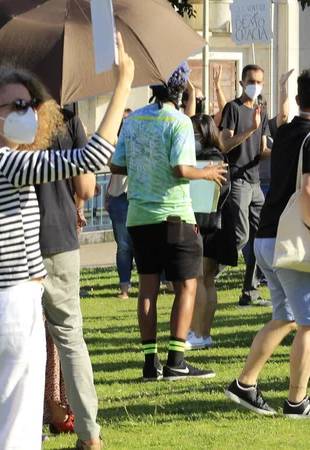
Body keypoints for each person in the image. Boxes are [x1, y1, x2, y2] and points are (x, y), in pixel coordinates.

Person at [0, 33, 134, 450]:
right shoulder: (7, 163)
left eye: (31, 104)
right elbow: (91, 159)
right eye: (17, 106)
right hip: (10, 308)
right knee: (16, 435)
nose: (30, 113)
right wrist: (123, 84)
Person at [224, 66, 310, 418]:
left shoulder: (288, 130)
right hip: (294, 241)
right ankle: (297, 401)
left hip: (267, 238)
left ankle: (245, 384)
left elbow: (285, 113)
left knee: (285, 316)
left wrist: (282, 87)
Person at [110, 63, 226, 382]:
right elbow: (181, 168)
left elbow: (116, 165)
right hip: (175, 215)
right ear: (180, 88)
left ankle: (151, 363)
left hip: (139, 216)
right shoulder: (179, 121)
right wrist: (208, 172)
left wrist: (144, 164)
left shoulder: (133, 120)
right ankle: (176, 360)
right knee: (186, 285)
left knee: (147, 286)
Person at [34, 106, 104, 446]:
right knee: (70, 339)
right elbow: (87, 188)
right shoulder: (68, 118)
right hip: (60, 239)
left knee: (21, 341)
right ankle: (89, 434)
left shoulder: (2, 112)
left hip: (17, 241)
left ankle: (28, 426)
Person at [220, 64, 272, 308]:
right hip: (238, 182)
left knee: (260, 239)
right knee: (240, 237)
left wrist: (282, 152)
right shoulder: (233, 108)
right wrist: (251, 127)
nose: (256, 85)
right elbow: (224, 145)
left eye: (260, 82)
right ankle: (206, 275)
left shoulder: (261, 110)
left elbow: (262, 150)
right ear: (242, 83)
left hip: (255, 183)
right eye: (252, 81)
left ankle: (249, 292)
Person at [186, 114, 235, 350]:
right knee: (208, 281)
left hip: (207, 225)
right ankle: (203, 333)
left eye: (194, 133)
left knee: (200, 280)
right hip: (216, 225)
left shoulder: (209, 158)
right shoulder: (216, 156)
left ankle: (198, 331)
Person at [106, 109, 135, 299]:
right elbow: (112, 168)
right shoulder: (115, 146)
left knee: (146, 244)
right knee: (124, 246)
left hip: (138, 197)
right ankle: (124, 287)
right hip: (119, 198)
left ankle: (163, 282)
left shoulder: (141, 142)